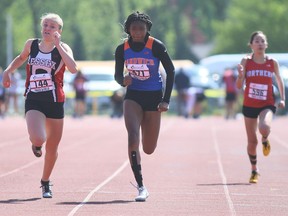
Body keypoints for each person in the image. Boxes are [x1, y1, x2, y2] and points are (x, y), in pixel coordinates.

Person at [2, 13, 77, 198]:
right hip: (34, 99)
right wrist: (8, 71)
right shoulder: (32, 44)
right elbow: (21, 58)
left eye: (52, 26)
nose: (47, 29)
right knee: (38, 138)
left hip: (55, 101)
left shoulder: (63, 47)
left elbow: (74, 68)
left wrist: (58, 45)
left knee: (52, 149)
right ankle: (36, 145)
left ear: (59, 31)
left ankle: (45, 181)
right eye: (45, 25)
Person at [114, 11, 175, 201]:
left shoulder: (156, 46)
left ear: (147, 29)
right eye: (134, 28)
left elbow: (171, 70)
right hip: (133, 96)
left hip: (154, 98)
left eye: (142, 28)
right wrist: (122, 81)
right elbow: (117, 76)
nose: (138, 32)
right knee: (132, 137)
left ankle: (141, 176)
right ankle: (141, 186)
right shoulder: (122, 49)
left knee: (148, 148)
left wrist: (166, 100)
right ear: (128, 30)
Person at [236, 31, 285, 184]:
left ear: (266, 44)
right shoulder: (246, 61)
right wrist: (240, 75)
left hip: (267, 103)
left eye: (262, 41)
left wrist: (282, 98)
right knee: (251, 142)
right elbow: (239, 86)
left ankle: (265, 138)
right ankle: (254, 169)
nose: (260, 44)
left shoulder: (272, 62)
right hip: (249, 104)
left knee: (264, 128)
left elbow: (279, 79)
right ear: (251, 45)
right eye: (256, 41)